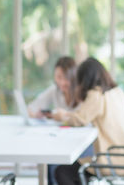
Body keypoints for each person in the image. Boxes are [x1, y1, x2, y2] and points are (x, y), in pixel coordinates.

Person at [51, 57, 124, 185]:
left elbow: (79, 120)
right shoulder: (117, 92)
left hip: (111, 160)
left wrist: (61, 116)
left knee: (62, 171)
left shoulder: (97, 94)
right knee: (75, 170)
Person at [27, 56, 78, 185]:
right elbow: (31, 107)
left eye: (65, 78)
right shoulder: (54, 91)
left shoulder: (81, 92)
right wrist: (37, 114)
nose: (61, 82)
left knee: (58, 167)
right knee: (50, 160)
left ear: (73, 77)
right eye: (58, 77)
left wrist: (64, 116)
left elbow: (82, 119)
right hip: (61, 138)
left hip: (78, 140)